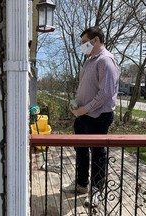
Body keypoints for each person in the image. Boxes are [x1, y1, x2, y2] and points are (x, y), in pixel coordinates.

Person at [63, 26, 120, 207]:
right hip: (83, 115)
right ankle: (81, 184)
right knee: (80, 150)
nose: (82, 46)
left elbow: (106, 94)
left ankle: (97, 190)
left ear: (95, 40)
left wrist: (84, 109)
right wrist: (77, 105)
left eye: (83, 43)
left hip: (99, 117)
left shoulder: (106, 61)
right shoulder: (89, 61)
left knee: (98, 154)